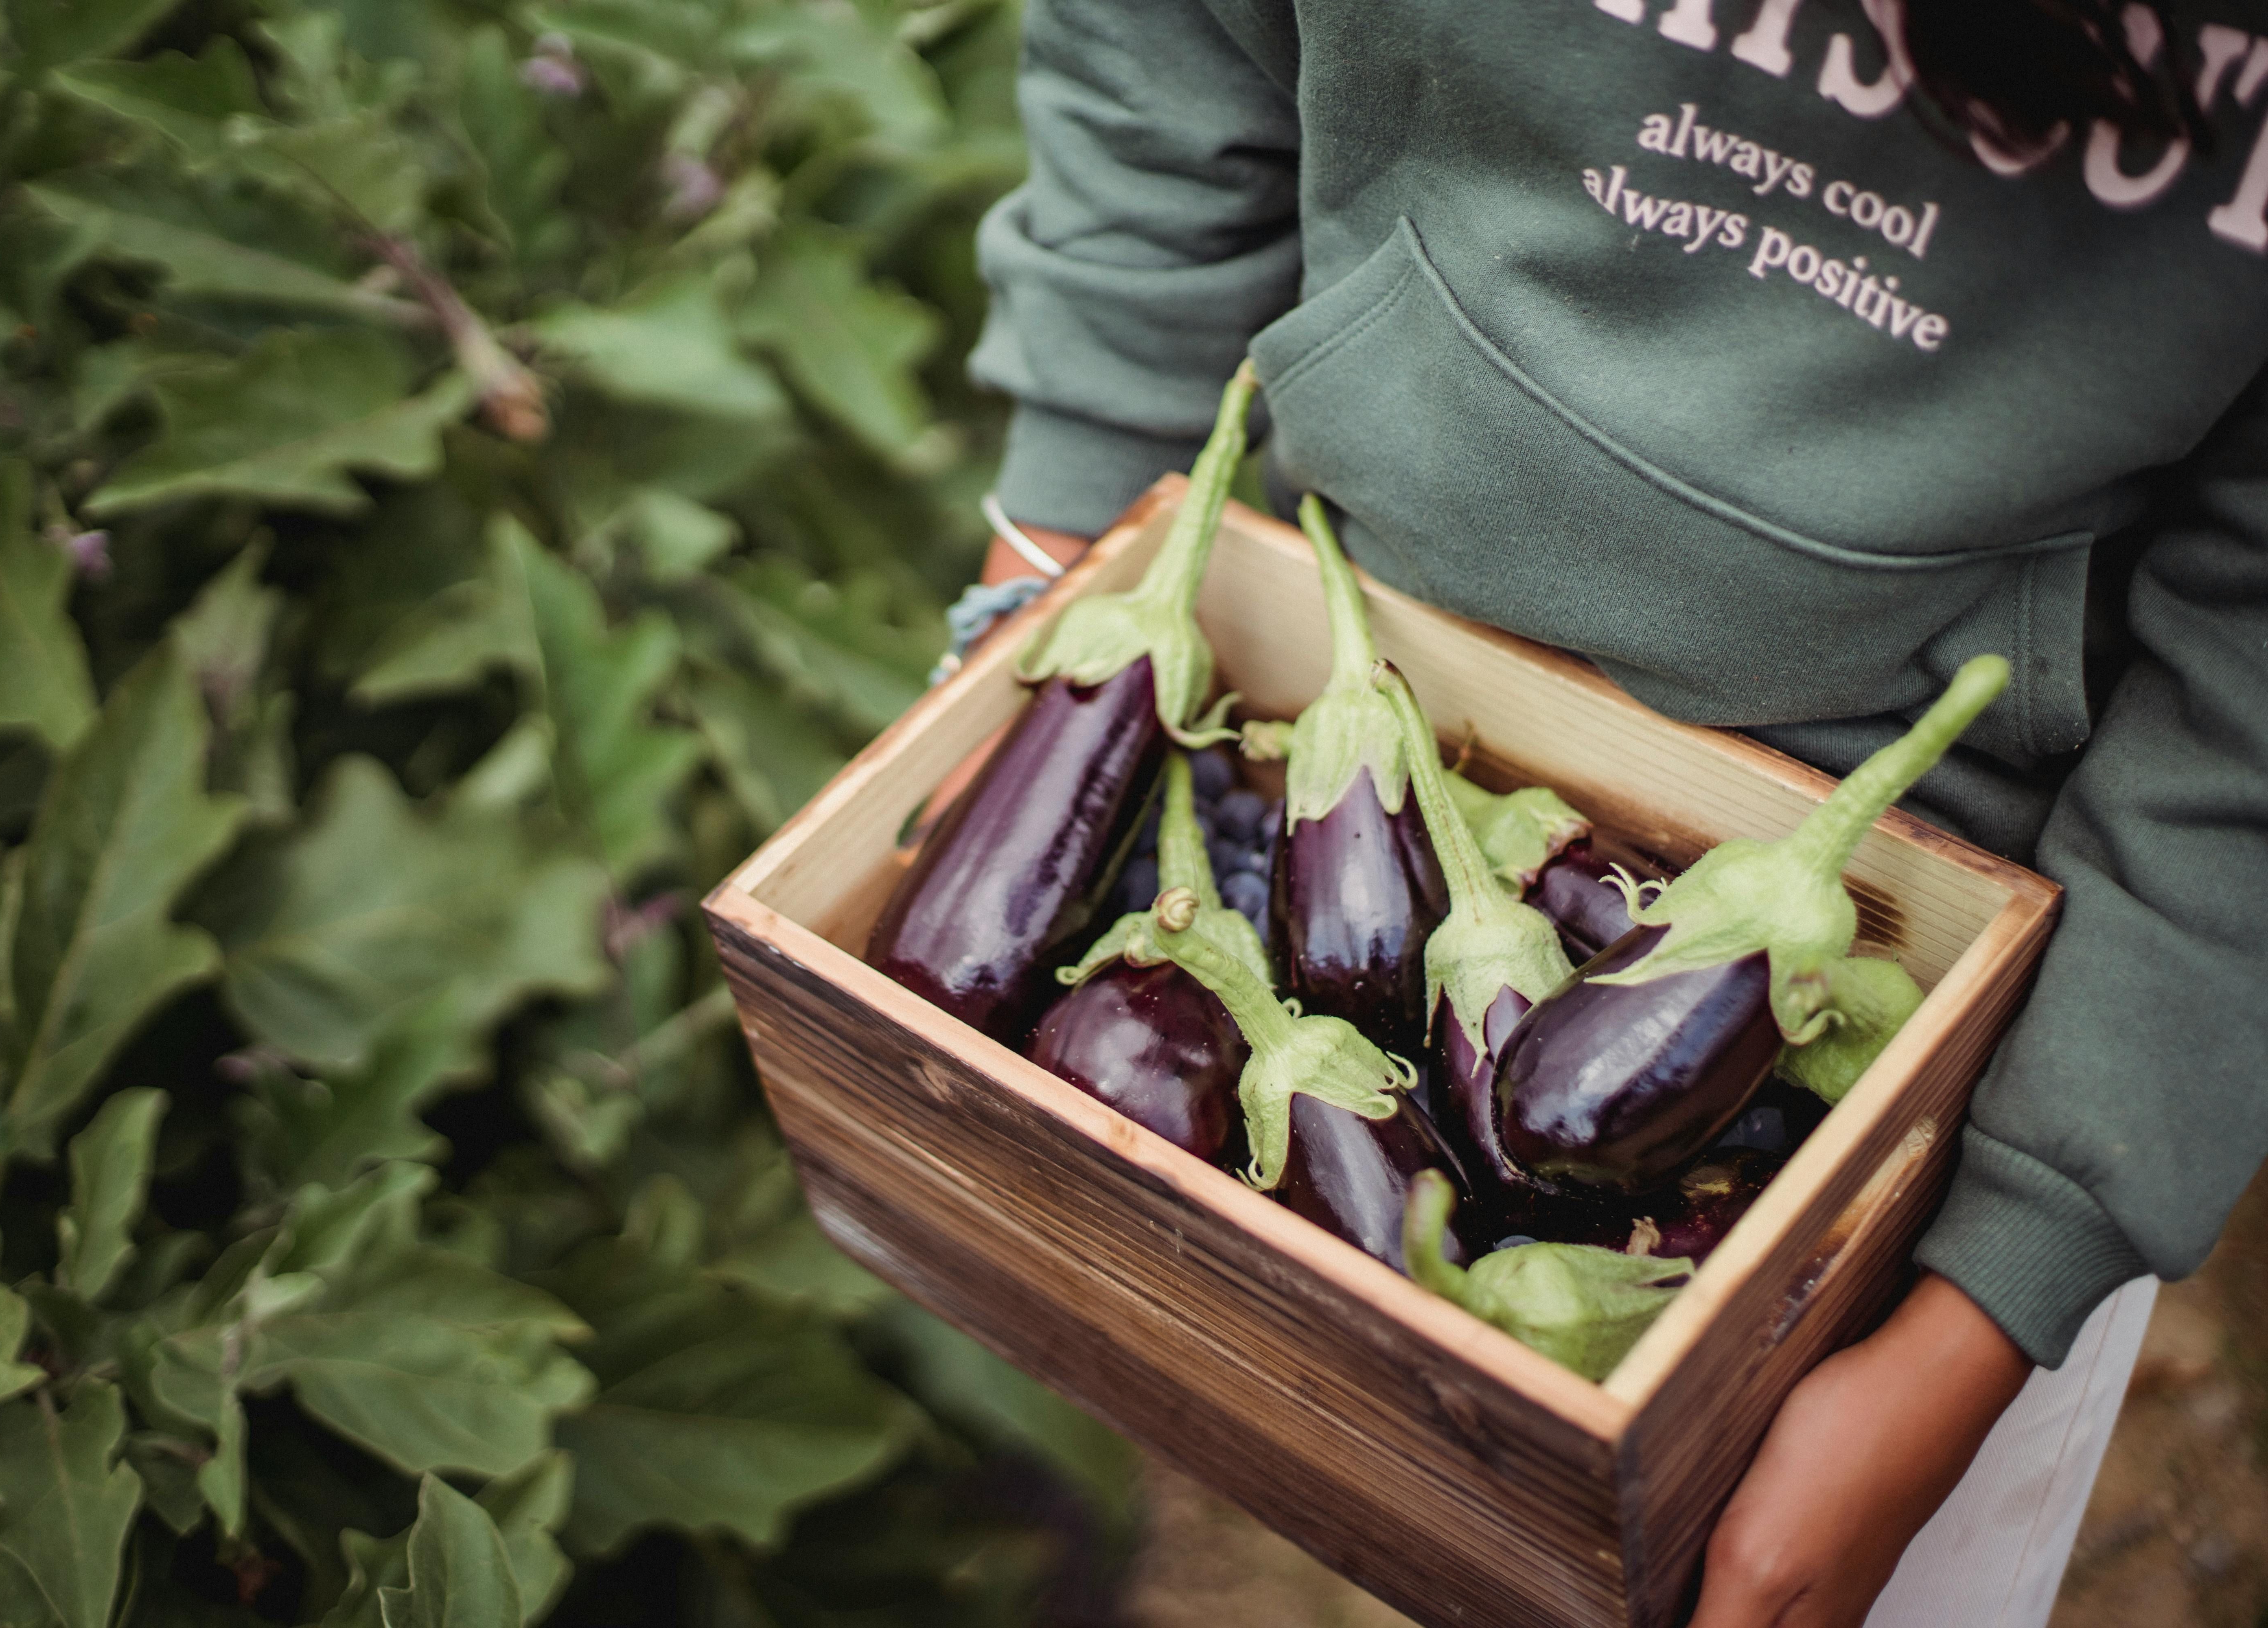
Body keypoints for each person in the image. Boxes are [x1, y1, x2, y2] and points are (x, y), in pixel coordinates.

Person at [958, 1, 2268, 1623]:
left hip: (1973, 1065)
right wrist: (1043, 624)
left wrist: (1986, 1309)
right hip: (1337, 765)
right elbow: (1166, 67)